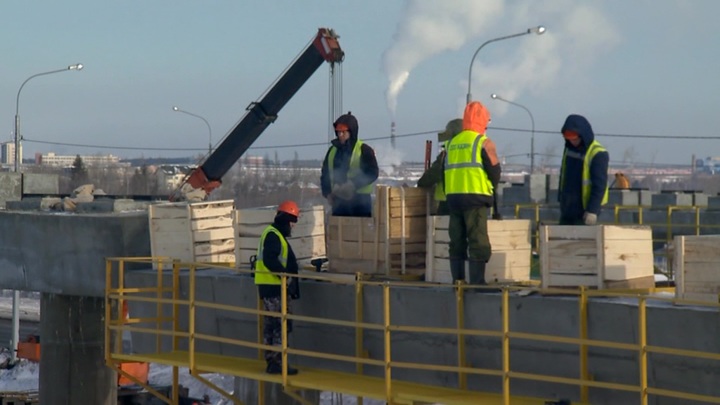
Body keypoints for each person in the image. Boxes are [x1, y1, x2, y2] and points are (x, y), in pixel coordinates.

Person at [444, 101, 501, 285]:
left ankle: (458, 282)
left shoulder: (452, 143)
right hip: (475, 198)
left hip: (454, 199)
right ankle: (477, 282)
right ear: (482, 121)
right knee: (477, 241)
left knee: (457, 241)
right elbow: (494, 171)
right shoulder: (483, 142)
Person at [254, 200, 301, 375]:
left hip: (269, 287)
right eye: (292, 223)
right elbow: (270, 260)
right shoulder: (274, 235)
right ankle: (278, 363)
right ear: (286, 220)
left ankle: (273, 362)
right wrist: (285, 276)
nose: (292, 227)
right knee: (280, 326)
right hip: (275, 288)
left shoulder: (272, 233)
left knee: (271, 326)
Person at [320, 112, 379, 217]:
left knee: (360, 232)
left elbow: (372, 172)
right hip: (339, 202)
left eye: (343, 132)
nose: (340, 135)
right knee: (339, 232)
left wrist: (353, 184)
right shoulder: (332, 151)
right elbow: (325, 174)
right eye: (338, 132)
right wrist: (327, 193)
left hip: (361, 202)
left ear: (351, 132)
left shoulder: (364, 150)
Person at [558, 114, 609, 225]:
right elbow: (564, 178)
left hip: (585, 212)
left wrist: (592, 210)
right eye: (569, 139)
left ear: (583, 135)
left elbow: (599, 186)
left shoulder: (598, 154)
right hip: (568, 210)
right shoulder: (569, 150)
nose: (573, 142)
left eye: (575, 139)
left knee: (583, 242)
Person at [417, 118, 462, 215]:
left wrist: (422, 182)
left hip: (447, 202)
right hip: (472, 203)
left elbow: (431, 176)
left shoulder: (447, 154)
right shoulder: (475, 153)